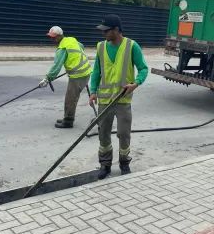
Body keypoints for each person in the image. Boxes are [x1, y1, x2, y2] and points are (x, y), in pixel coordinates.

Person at [89, 14, 148, 179]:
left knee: (123, 133)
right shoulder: (101, 47)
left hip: (123, 100)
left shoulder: (132, 46)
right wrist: (93, 92)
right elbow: (96, 71)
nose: (103, 34)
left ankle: (124, 163)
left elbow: (143, 69)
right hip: (104, 100)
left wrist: (136, 83)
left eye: (106, 31)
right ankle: (105, 165)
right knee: (103, 134)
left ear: (116, 30)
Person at [39, 26, 92, 128]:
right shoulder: (71, 39)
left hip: (78, 75)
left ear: (60, 36)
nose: (52, 39)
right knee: (71, 97)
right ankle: (67, 117)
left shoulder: (62, 48)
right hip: (85, 72)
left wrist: (47, 79)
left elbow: (56, 66)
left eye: (54, 37)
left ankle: (68, 121)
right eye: (51, 37)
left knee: (70, 99)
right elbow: (82, 46)